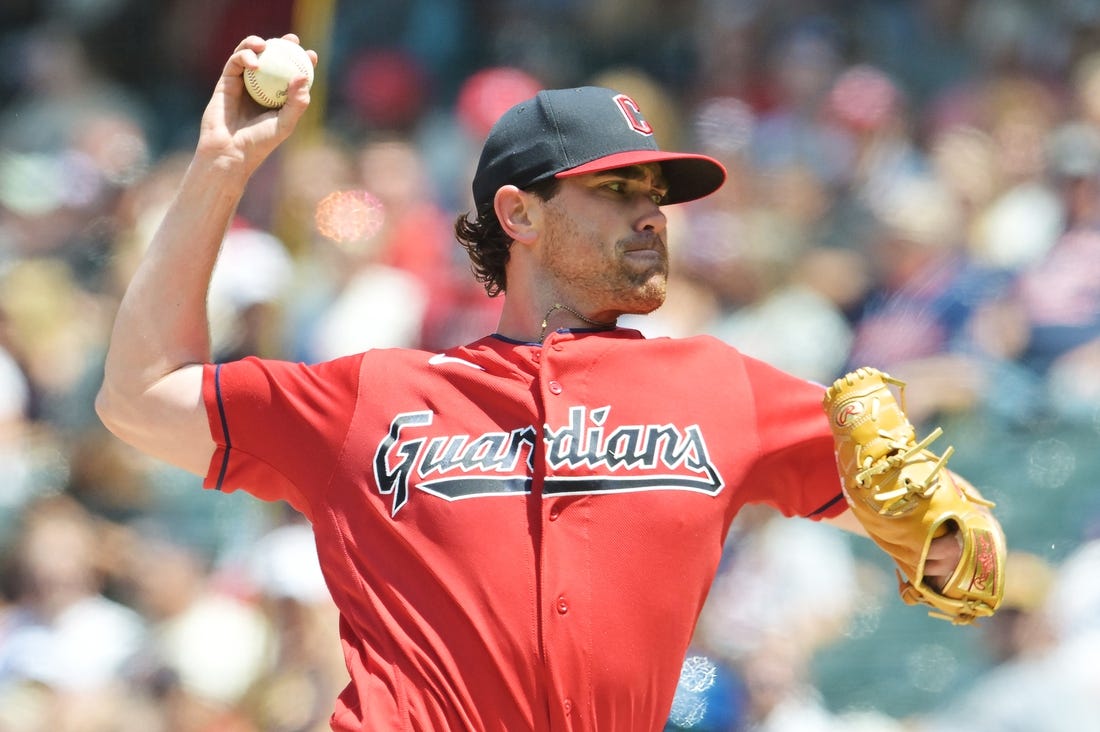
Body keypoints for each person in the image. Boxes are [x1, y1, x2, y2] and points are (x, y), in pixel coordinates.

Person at [95, 35, 967, 732]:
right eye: (617, 188)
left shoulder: (721, 388)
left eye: (656, 192)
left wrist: (950, 538)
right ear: (518, 214)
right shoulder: (374, 396)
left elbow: (952, 547)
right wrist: (221, 167)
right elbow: (139, 395)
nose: (651, 213)